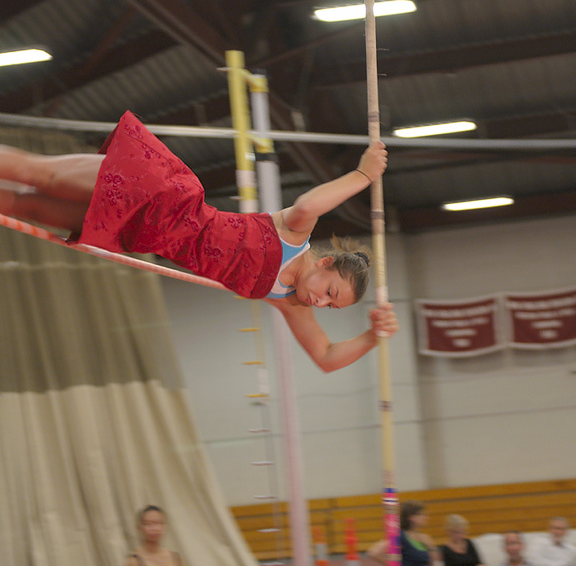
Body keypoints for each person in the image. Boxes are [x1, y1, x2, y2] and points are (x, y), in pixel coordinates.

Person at [0, 111, 398, 372]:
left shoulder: (286, 300)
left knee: (28, 207)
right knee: (39, 175)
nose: (321, 303)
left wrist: (373, 337)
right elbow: (310, 204)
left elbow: (325, 357)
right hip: (159, 195)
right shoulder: (294, 235)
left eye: (330, 306)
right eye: (329, 292)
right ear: (326, 264)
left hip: (141, 232)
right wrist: (362, 176)